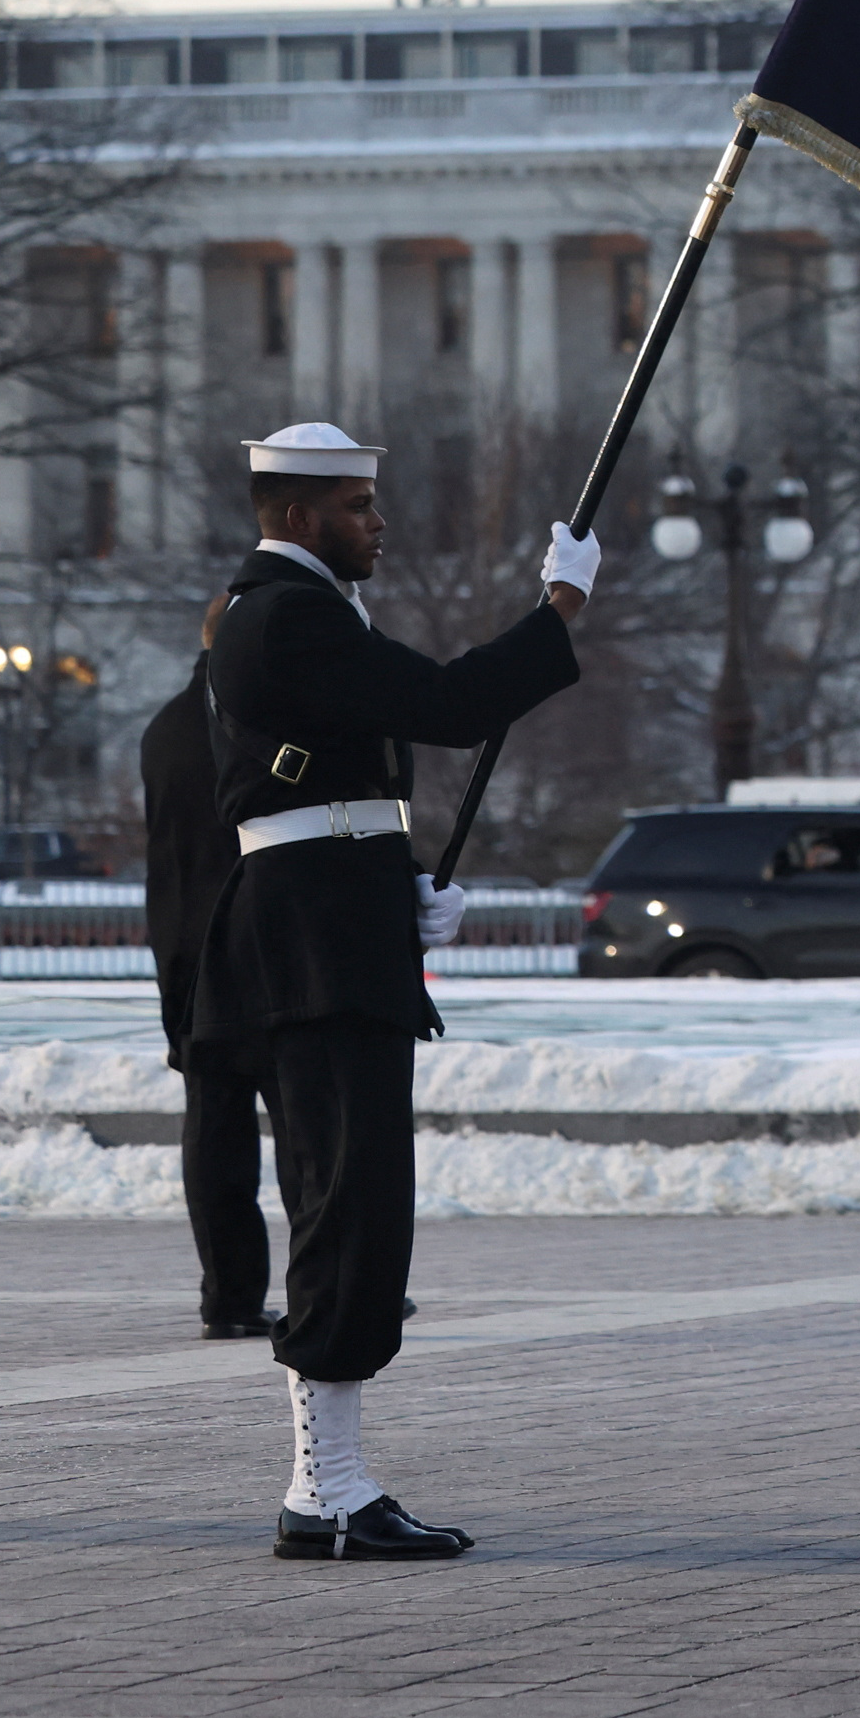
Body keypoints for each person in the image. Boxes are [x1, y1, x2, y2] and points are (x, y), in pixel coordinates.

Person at [192, 419, 595, 1561]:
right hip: (312, 938)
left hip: (338, 919)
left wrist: (398, 879)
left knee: (359, 1194)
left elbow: (346, 776)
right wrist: (557, 610)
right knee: (345, 1199)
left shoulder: (308, 613)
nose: (379, 522)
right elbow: (453, 704)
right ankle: (326, 1488)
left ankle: (332, 1484)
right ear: (296, 513)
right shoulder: (286, 613)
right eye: (360, 505)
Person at [138, 611, 273, 1342]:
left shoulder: (163, 726)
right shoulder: (252, 724)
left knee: (214, 1128)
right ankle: (337, 1283)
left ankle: (230, 1295)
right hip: (257, 941)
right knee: (309, 1124)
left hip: (184, 949)